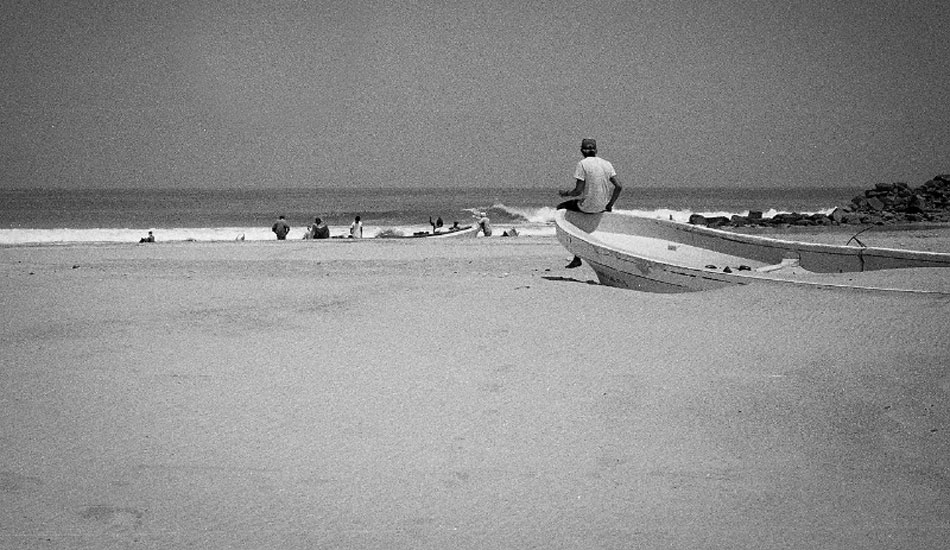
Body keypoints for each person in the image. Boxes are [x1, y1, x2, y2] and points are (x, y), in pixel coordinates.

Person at [558, 138, 623, 268]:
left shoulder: (582, 164)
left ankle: (576, 255)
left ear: (582, 150)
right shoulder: (607, 164)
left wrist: (565, 193)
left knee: (561, 208)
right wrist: (609, 205)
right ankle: (577, 257)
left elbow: (578, 191)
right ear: (596, 150)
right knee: (583, 222)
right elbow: (619, 186)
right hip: (602, 207)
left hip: (586, 207)